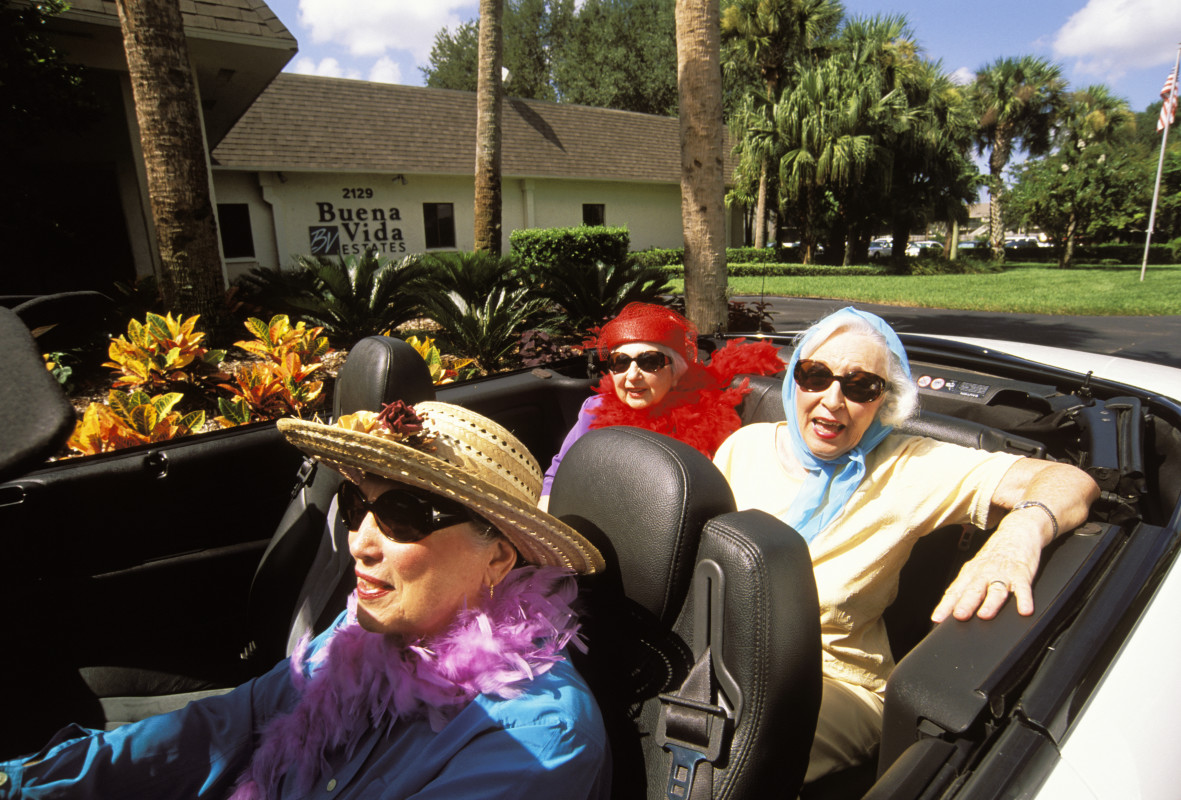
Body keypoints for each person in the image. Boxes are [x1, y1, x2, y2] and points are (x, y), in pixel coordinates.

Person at [1, 401, 610, 799]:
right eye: (356, 505)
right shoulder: (355, 637)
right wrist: (31, 782)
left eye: (402, 517)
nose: (359, 543)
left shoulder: (538, 738)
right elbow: (228, 724)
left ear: (499, 558)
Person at [712, 307, 1099, 783]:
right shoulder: (746, 445)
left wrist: (1019, 535)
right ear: (795, 380)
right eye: (815, 375)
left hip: (832, 681)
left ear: (885, 401)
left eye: (861, 387)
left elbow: (1068, 481)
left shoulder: (911, 466)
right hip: (725, 654)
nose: (833, 400)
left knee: (728, 748)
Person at [539, 302, 784, 509]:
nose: (632, 375)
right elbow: (559, 472)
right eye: (620, 362)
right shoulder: (593, 410)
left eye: (649, 362)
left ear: (676, 371)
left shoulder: (705, 419)